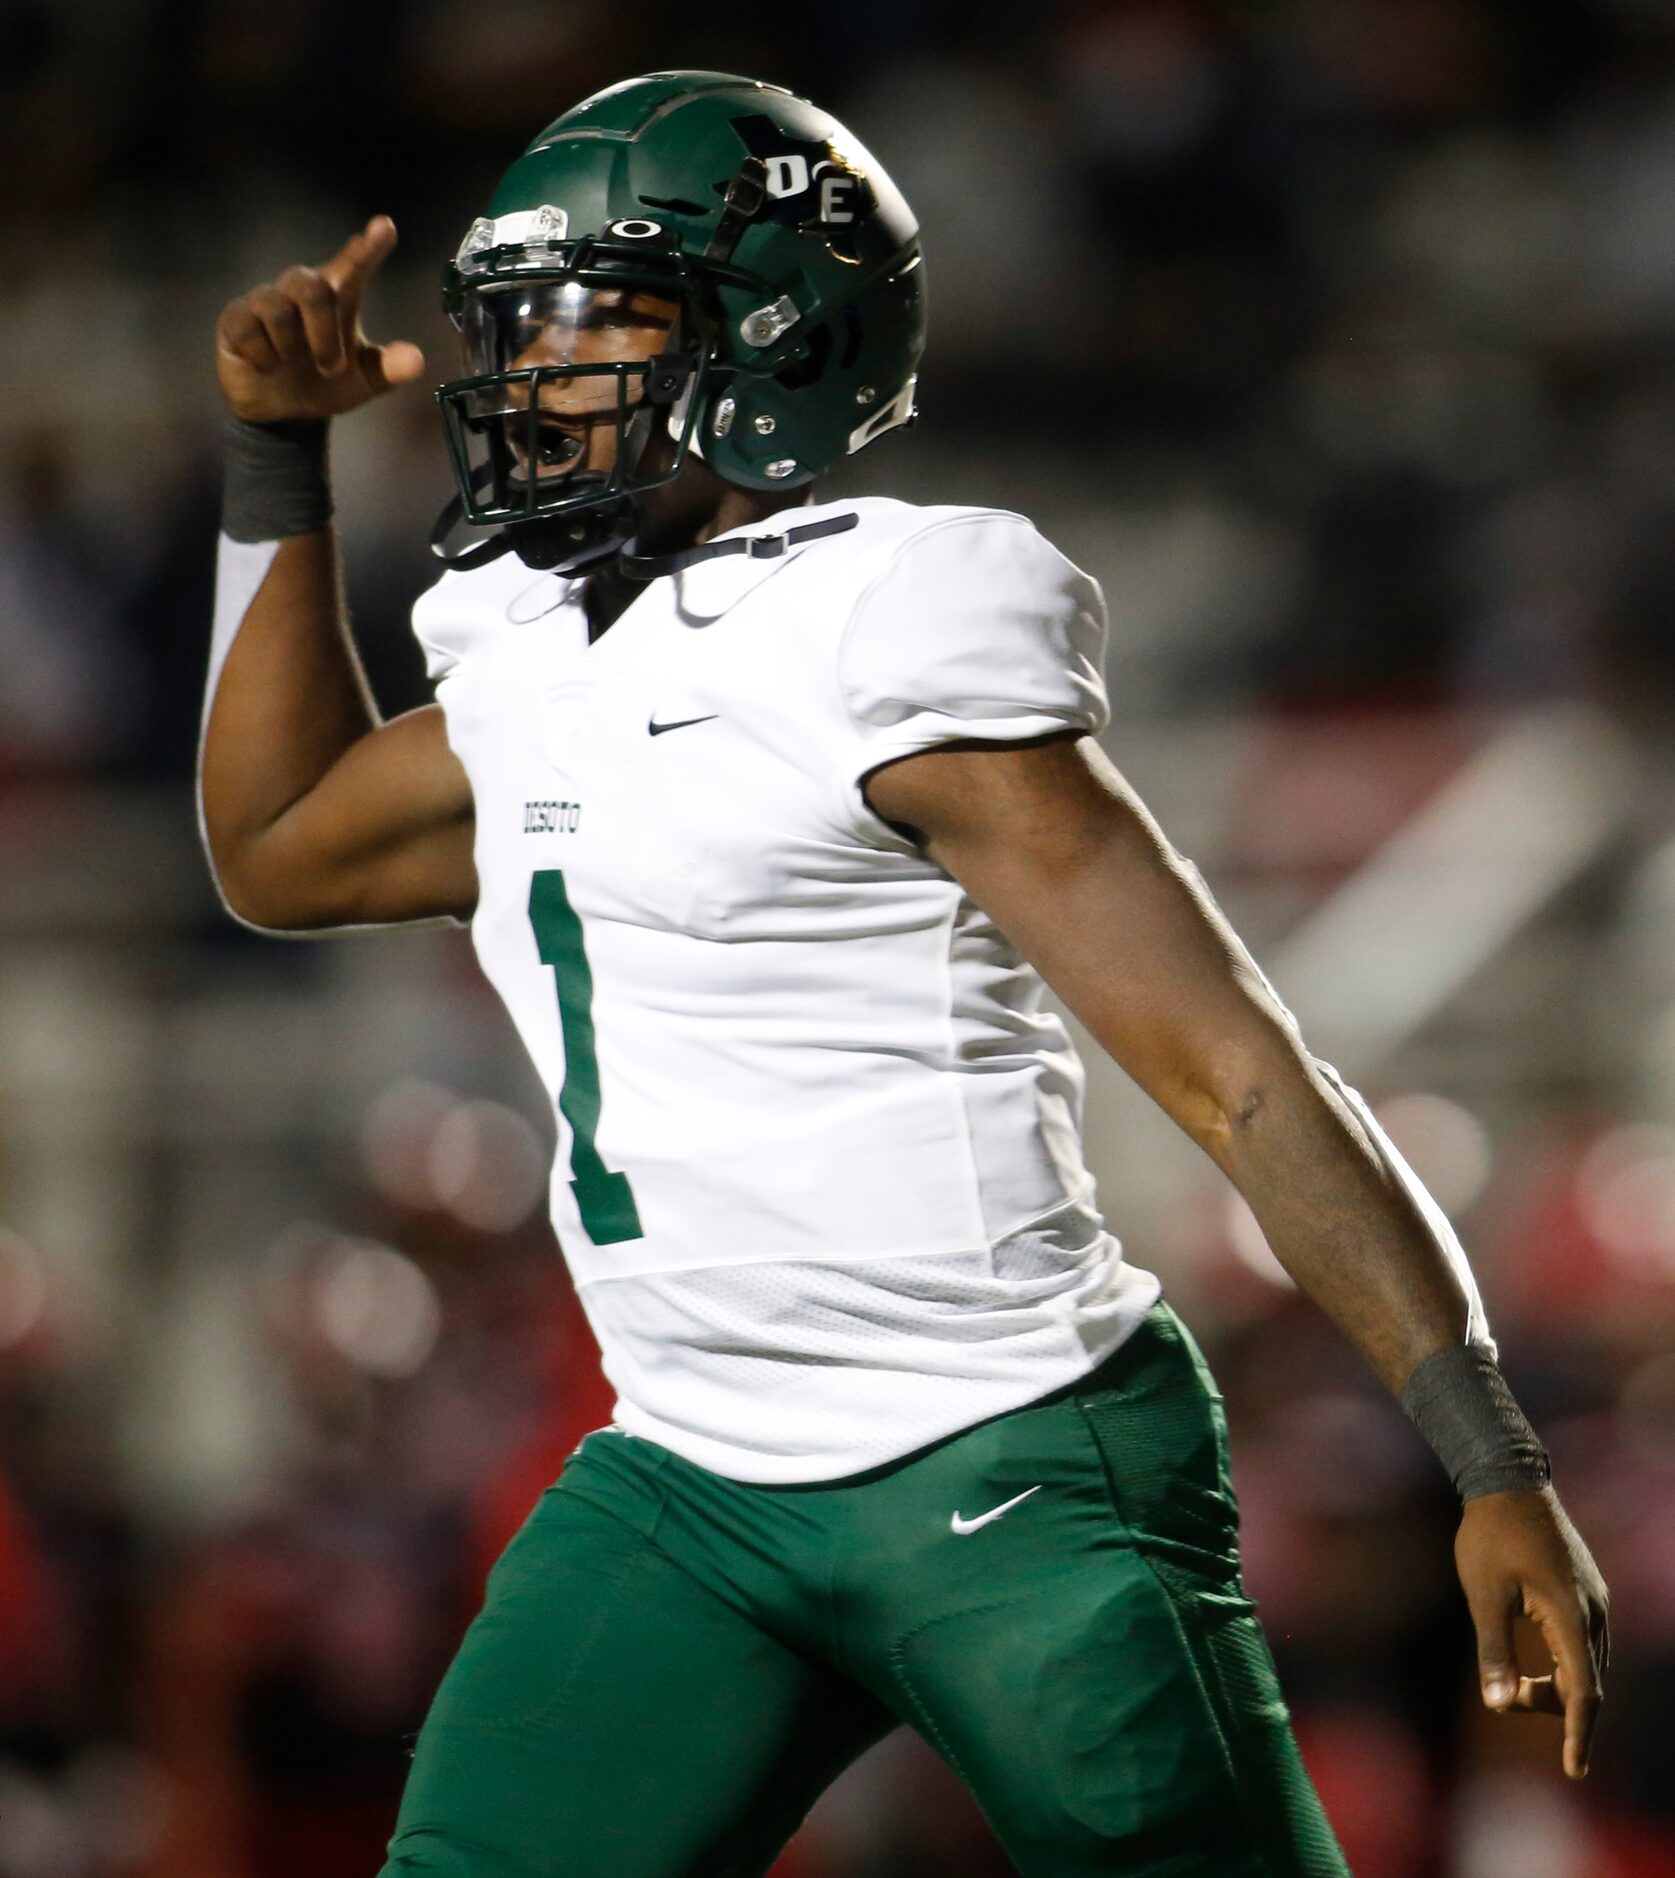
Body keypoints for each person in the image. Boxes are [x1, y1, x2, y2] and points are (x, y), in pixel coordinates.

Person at [201, 71, 1608, 1878]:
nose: (537, 375)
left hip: (1003, 1454)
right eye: (518, 325)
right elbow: (280, 840)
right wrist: (273, 463)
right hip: (690, 1476)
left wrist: (1489, 1455)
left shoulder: (879, 622)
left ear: (778, 337)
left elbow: (1239, 1070)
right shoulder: (534, 652)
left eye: (594, 318)